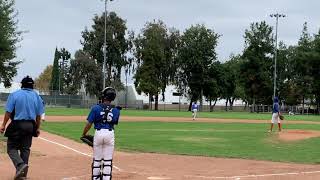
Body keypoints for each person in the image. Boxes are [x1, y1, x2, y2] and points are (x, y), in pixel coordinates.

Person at [0, 76, 44, 180]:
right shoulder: (36, 96)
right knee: (25, 149)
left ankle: (20, 165)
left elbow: (8, 112)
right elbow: (38, 115)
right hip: (30, 126)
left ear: (22, 85)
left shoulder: (15, 95)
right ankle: (22, 175)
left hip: (17, 124)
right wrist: (37, 128)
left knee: (11, 148)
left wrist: (3, 125)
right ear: (32, 85)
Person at [82, 87, 121, 180]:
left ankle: (95, 178)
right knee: (107, 160)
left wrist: (84, 133)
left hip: (98, 134)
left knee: (97, 159)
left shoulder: (96, 108)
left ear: (104, 96)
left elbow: (89, 124)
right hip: (110, 134)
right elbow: (113, 123)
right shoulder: (116, 110)